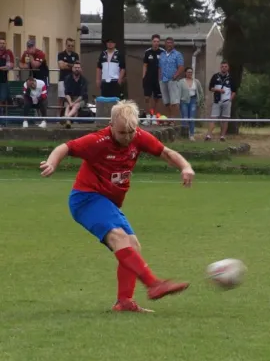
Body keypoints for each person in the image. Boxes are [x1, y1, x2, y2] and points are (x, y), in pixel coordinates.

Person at [39, 100, 195, 313]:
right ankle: (154, 284)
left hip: (108, 203)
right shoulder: (97, 140)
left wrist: (185, 167)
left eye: (131, 131)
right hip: (86, 199)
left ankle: (124, 302)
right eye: (122, 132)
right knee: (120, 238)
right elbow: (64, 148)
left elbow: (166, 153)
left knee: (132, 245)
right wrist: (52, 162)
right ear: (111, 125)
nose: (128, 137)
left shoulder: (138, 137)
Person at [179, 67, 204, 141]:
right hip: (184, 101)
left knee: (192, 118)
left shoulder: (196, 81)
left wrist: (199, 101)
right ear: (185, 73)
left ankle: (192, 135)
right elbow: (178, 92)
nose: (189, 73)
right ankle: (184, 135)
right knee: (185, 117)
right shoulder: (181, 82)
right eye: (188, 72)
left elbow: (200, 92)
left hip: (193, 100)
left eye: (191, 72)